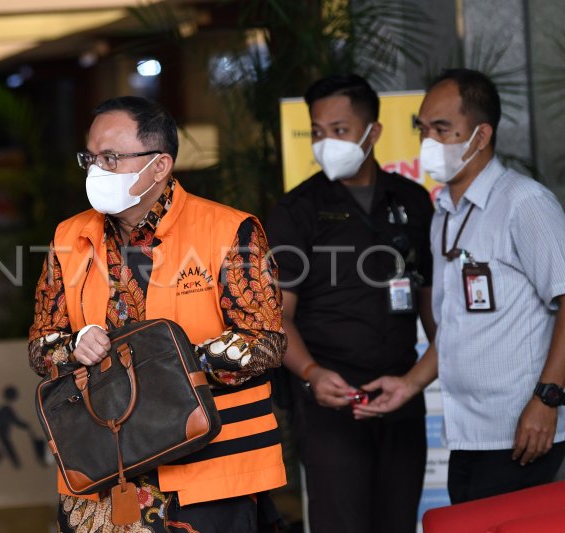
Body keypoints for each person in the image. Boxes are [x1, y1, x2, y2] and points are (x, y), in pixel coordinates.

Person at [28, 96, 287, 531]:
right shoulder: (69, 237)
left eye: (110, 157)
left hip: (210, 466)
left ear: (160, 165)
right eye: (89, 157)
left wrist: (173, 360)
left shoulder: (228, 230)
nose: (96, 169)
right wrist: (74, 346)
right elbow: (40, 348)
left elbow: (265, 341)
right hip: (105, 471)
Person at [356, 68, 565, 504]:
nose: (428, 141)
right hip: (469, 435)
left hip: (525, 432)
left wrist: (548, 399)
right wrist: (409, 384)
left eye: (442, 129)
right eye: (423, 129)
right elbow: (455, 328)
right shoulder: (446, 213)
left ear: (481, 134)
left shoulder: (524, 203)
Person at [266, 74, 436, 533]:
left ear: (372, 132)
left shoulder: (414, 202)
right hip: (329, 400)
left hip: (400, 393)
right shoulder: (295, 211)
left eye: (339, 131)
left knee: (398, 522)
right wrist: (311, 374)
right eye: (317, 132)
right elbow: (278, 317)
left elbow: (435, 312)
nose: (326, 143)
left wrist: (421, 377)